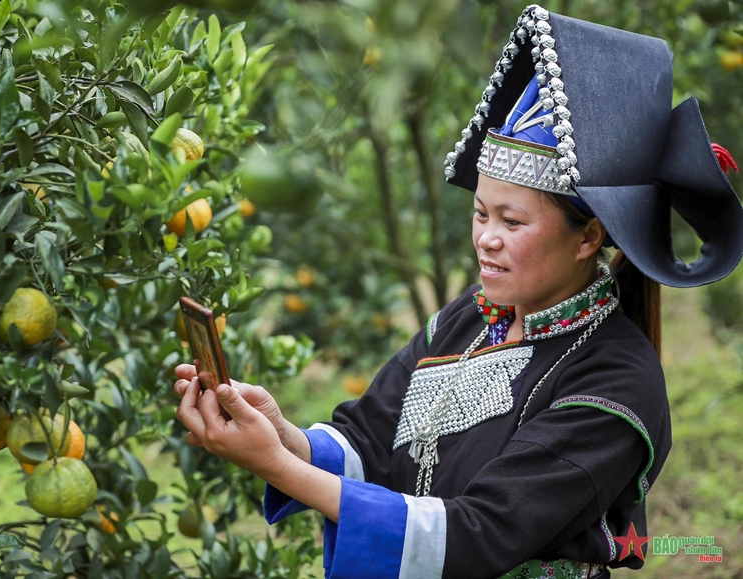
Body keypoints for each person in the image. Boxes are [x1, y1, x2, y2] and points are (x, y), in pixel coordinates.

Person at [174, 5, 743, 579]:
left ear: (587, 236)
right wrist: (282, 434)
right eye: (479, 214)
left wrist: (276, 464)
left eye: (512, 223)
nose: (486, 240)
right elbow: (368, 440)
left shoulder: (616, 383)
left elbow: (479, 534)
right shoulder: (465, 320)